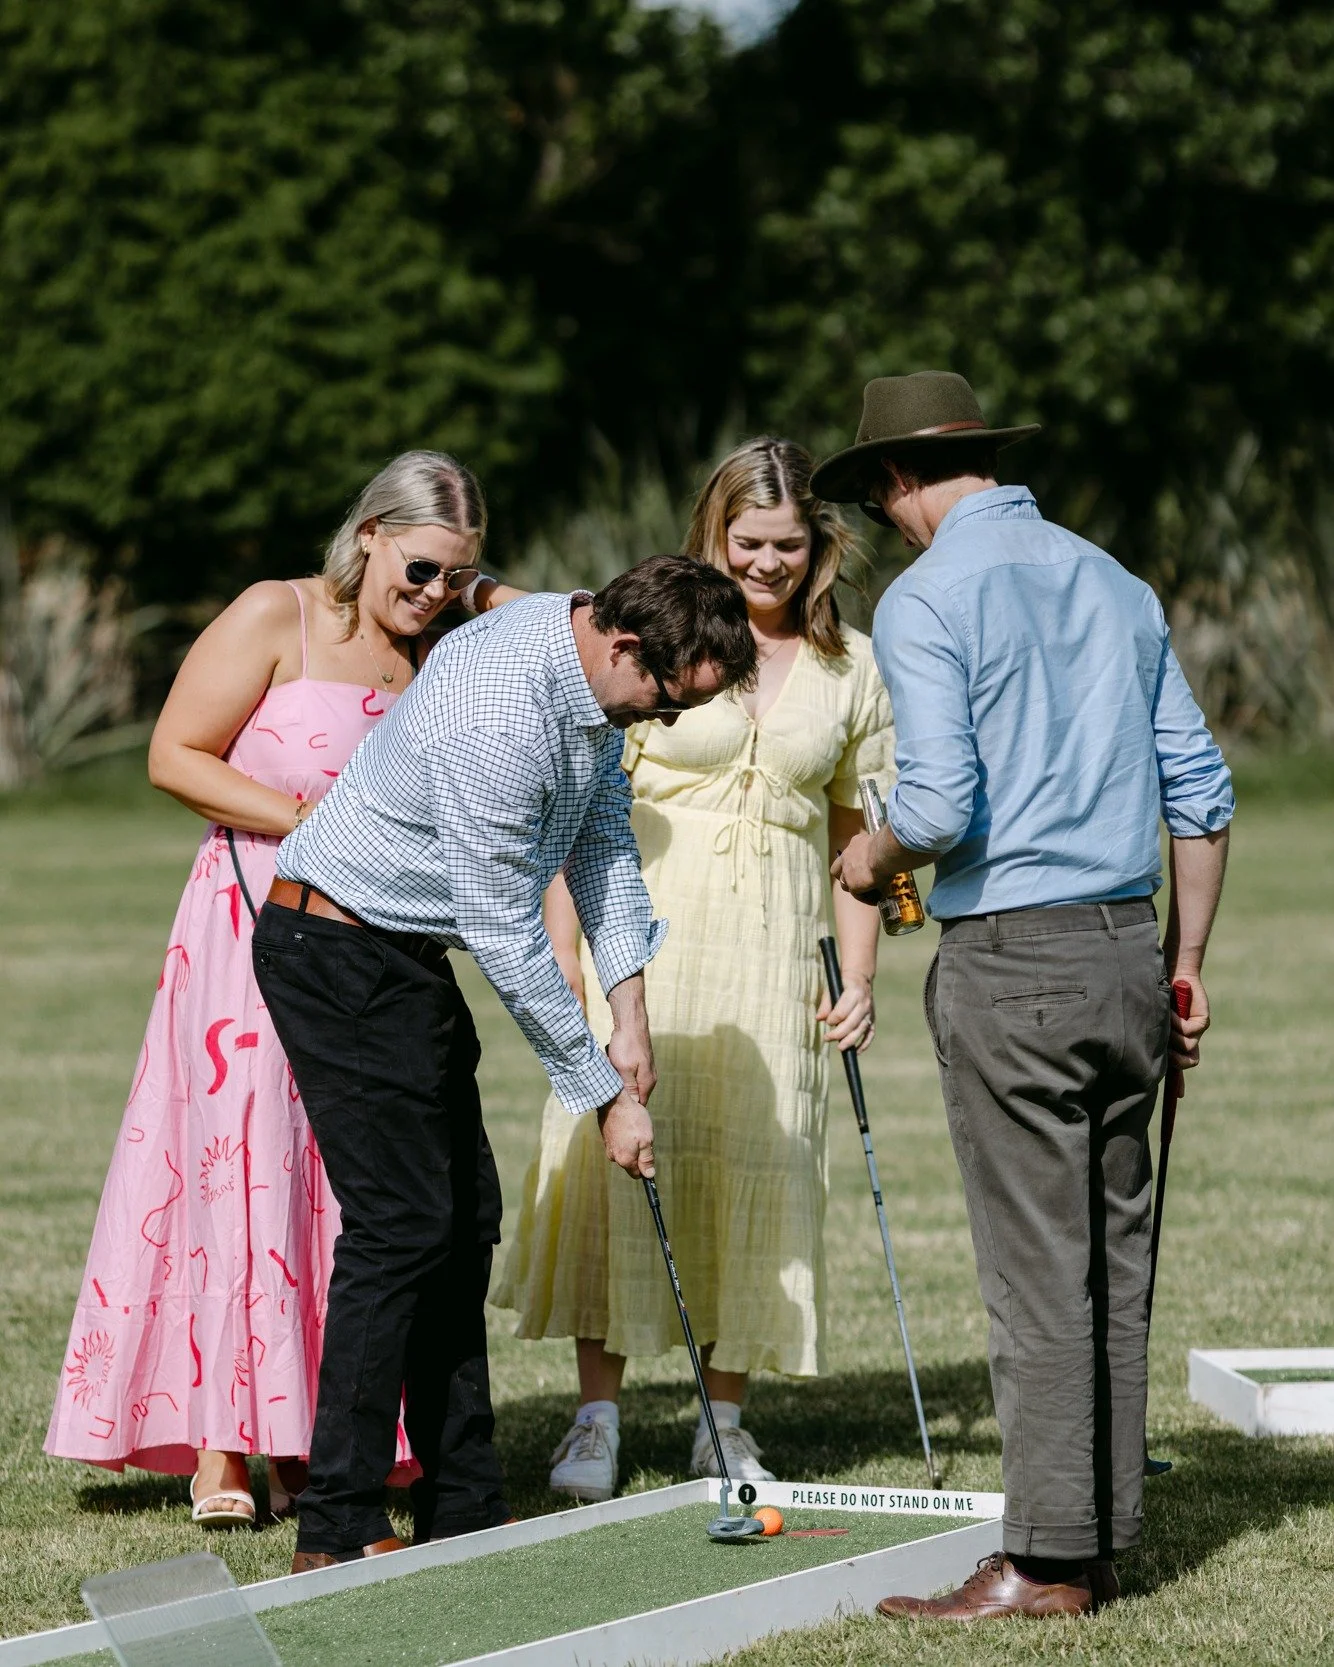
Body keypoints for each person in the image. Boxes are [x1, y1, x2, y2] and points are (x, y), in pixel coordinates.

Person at [816, 371, 1233, 1620]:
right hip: (1124, 954)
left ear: (896, 479)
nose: (888, 522)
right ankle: (1094, 1539)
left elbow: (937, 804)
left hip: (1013, 960)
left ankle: (1045, 1561)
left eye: (878, 499)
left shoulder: (926, 596)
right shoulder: (1115, 581)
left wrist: (868, 855)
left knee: (1036, 1271)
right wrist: (1185, 963)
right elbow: (1200, 792)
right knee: (1111, 1258)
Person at [250, 553, 757, 1572]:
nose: (661, 722)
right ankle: (335, 1522)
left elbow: (602, 840)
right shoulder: (500, 709)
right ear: (625, 645)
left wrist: (629, 1013)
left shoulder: (590, 672)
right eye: (665, 701)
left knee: (461, 1217)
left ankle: (465, 1505)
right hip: (334, 948)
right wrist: (603, 1094)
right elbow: (503, 928)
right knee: (401, 1225)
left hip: (398, 954)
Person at [45, 450, 518, 1528]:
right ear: (368, 535)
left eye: (456, 574)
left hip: (381, 944)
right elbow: (174, 754)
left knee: (345, 1179)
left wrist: (480, 594)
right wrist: (314, 823)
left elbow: (558, 625)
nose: (433, 591)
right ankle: (221, 1440)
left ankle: (312, 1434)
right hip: (254, 918)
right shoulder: (277, 612)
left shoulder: (439, 648)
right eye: (420, 567)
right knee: (244, 1155)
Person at [494, 439, 893, 1502]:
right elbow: (580, 805)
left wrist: (856, 976)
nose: (766, 562)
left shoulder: (852, 666)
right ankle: (595, 1418)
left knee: (757, 1168)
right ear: (714, 533)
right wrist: (567, 951)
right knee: (616, 1166)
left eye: (787, 544)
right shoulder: (660, 635)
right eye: (747, 540)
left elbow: (857, 838)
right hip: (645, 945)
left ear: (818, 544)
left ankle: (723, 1421)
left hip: (777, 956)